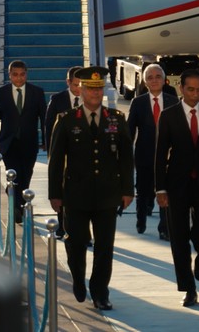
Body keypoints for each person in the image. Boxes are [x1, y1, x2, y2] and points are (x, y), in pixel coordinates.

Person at [48, 66, 134, 311]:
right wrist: (55, 194)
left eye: (99, 88)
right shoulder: (66, 120)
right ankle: (77, 278)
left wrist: (127, 190)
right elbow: (56, 160)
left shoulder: (116, 118)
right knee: (76, 245)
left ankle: (100, 292)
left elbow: (127, 158)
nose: (95, 93)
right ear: (81, 89)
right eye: (90, 88)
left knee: (104, 247)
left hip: (107, 195)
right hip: (75, 195)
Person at [155, 69, 199, 307]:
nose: (195, 94)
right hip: (177, 185)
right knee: (179, 238)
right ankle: (189, 288)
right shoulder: (169, 116)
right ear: (181, 89)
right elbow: (159, 155)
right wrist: (160, 189)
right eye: (190, 89)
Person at [0, 60, 46, 223]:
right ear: (9, 75)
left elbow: (44, 118)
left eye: (22, 75)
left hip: (29, 142)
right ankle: (18, 207)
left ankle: (14, 198)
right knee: (14, 173)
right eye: (15, 75)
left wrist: (46, 141)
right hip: (9, 142)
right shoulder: (2, 93)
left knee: (26, 175)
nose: (19, 78)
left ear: (26, 74)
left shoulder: (37, 92)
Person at [127, 64, 179, 239]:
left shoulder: (173, 101)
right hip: (144, 155)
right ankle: (141, 219)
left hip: (168, 156)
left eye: (158, 76)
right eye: (150, 77)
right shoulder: (138, 102)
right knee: (143, 191)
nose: (154, 80)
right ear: (145, 82)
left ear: (164, 80)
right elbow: (130, 131)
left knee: (166, 192)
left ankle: (164, 227)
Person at [45, 65, 82, 238]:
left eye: (82, 85)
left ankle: (83, 232)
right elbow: (48, 127)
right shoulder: (57, 100)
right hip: (63, 153)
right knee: (62, 189)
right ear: (68, 82)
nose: (79, 89)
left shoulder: (90, 98)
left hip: (83, 154)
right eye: (75, 85)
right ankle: (62, 224)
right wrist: (50, 152)